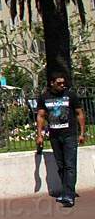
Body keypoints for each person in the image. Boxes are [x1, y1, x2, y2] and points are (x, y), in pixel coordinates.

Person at [36, 72, 86, 207]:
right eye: (59, 83)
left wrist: (82, 133)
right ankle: (66, 191)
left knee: (70, 164)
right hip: (54, 136)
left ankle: (69, 195)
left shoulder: (70, 95)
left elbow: (79, 113)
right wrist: (39, 135)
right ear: (52, 83)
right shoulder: (44, 97)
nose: (62, 85)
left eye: (63, 83)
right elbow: (40, 116)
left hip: (69, 134)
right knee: (61, 165)